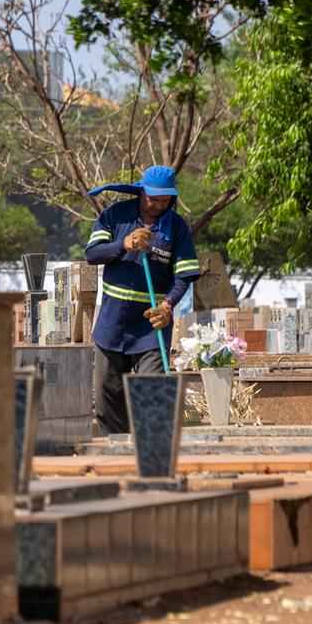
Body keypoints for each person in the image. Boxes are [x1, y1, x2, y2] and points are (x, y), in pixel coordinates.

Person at [85, 165, 201, 434]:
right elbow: (92, 254)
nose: (158, 205)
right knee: (106, 391)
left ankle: (154, 450)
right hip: (112, 322)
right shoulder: (115, 216)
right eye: (153, 199)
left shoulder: (177, 227)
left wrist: (168, 304)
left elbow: (183, 276)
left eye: (165, 200)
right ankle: (118, 450)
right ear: (141, 192)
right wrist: (123, 245)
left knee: (153, 390)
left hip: (151, 323)